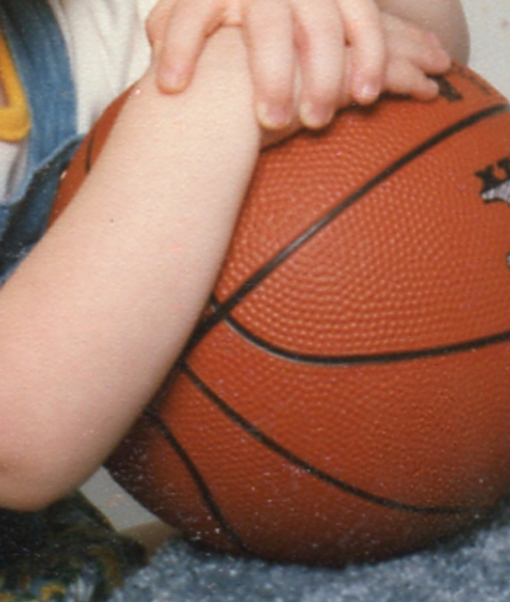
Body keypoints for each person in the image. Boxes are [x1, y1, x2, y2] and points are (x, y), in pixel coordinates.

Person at [0, 0, 469, 598]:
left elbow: (428, 47)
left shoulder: (78, 26)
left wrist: (309, 21)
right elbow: (16, 438)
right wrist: (210, 98)